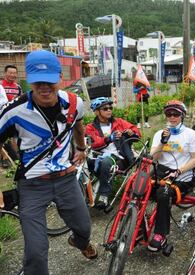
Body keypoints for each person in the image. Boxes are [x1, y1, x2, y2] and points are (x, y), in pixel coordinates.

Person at [0, 50, 97, 275]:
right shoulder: (14, 111)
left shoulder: (74, 103)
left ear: (60, 78)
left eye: (50, 81)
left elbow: (78, 125)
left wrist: (81, 148)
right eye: (38, 82)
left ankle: (81, 244)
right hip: (32, 185)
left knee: (84, 229)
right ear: (29, 80)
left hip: (66, 180)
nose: (45, 87)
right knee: (35, 251)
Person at [149, 100, 195, 251]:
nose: (172, 117)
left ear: (182, 115)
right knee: (138, 189)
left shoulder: (191, 135)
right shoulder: (160, 134)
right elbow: (154, 157)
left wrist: (179, 170)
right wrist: (162, 142)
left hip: (182, 175)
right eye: (168, 114)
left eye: (176, 114)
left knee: (163, 193)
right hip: (162, 173)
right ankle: (136, 224)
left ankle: (160, 234)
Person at [85, 97, 141, 208]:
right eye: (105, 108)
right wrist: (108, 139)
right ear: (96, 111)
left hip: (119, 157)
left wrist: (131, 132)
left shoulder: (119, 122)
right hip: (96, 157)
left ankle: (104, 196)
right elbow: (92, 144)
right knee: (81, 164)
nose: (109, 110)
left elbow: (136, 132)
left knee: (106, 162)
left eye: (110, 107)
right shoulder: (90, 128)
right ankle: (83, 195)